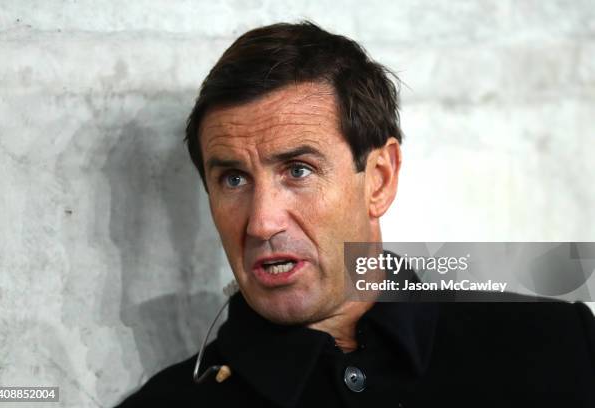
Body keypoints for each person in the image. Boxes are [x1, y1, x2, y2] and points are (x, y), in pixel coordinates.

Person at [116, 22, 595, 407]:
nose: (262, 223)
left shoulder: (560, 347)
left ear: (380, 179)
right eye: (234, 180)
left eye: (298, 170)